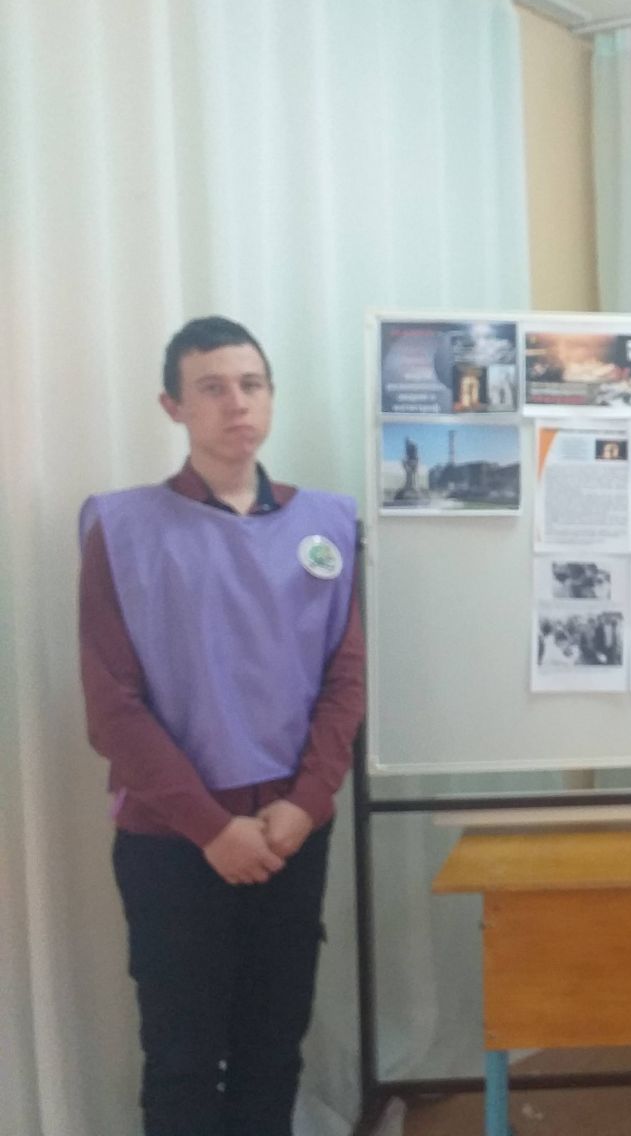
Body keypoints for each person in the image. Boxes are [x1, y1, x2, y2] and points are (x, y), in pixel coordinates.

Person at [78, 316, 365, 1136]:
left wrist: (306, 804)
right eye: (211, 388)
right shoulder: (122, 529)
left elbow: (345, 681)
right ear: (173, 406)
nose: (236, 403)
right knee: (181, 1056)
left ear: (271, 396)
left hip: (289, 833)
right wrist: (211, 828)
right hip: (175, 840)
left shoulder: (328, 524)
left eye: (251, 384)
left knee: (274, 1049)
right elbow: (112, 706)